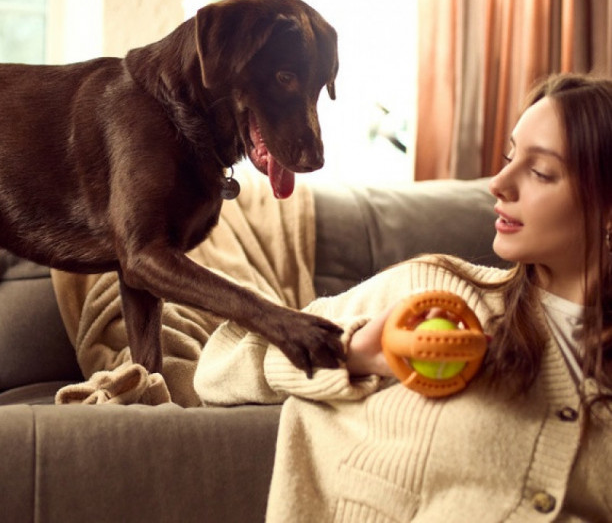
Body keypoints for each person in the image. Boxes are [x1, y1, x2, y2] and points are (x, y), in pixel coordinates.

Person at [194, 72, 612, 522]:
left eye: (539, 172)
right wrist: (351, 353)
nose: (499, 183)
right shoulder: (433, 294)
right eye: (509, 156)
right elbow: (221, 362)